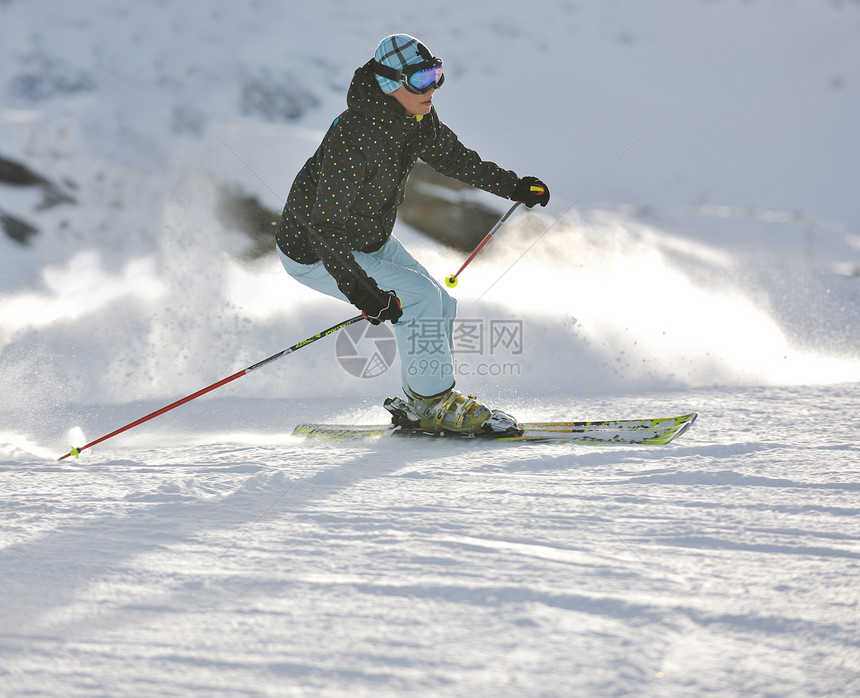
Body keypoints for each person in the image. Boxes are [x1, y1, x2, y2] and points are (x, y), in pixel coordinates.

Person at [276, 33, 549, 433]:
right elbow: (324, 226)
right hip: (316, 251)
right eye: (421, 80)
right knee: (418, 299)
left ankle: (419, 400)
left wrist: (514, 187)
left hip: (369, 239)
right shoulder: (353, 137)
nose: (433, 88)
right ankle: (434, 400)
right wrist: (362, 291)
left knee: (440, 302)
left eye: (437, 74)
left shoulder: (415, 120)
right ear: (390, 83)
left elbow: (455, 159)